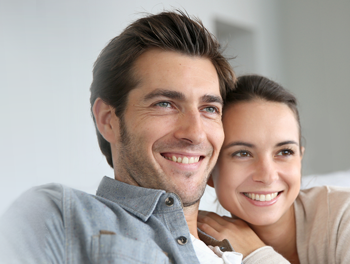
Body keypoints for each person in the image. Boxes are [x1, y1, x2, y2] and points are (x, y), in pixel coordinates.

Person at [0, 10, 252, 264]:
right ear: (108, 119)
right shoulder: (60, 217)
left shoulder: (247, 251)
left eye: (209, 109)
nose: (195, 133)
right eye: (165, 104)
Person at [198, 74, 350, 264]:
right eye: (242, 153)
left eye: (285, 152)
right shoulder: (203, 248)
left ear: (299, 159)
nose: (268, 176)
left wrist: (256, 253)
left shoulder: (343, 216)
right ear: (210, 170)